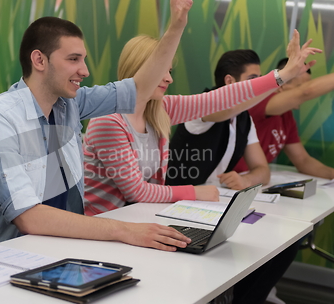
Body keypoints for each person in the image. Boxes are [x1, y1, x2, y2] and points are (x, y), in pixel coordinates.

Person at [0, 0, 194, 253]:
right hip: (6, 260)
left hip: (64, 249)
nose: (84, 70)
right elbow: (28, 217)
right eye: (74, 59)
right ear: (39, 60)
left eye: (83, 59)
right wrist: (123, 230)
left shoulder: (71, 103)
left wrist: (176, 27)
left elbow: (139, 90)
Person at [83, 36, 318, 215]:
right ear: (139, 69)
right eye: (161, 69)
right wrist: (194, 192)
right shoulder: (108, 120)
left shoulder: (159, 110)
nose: (169, 78)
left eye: (170, 70)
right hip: (106, 226)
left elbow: (224, 96)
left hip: (139, 218)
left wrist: (283, 76)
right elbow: (136, 191)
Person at [166, 49, 271, 190]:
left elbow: (263, 170)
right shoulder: (202, 105)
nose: (258, 85)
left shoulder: (244, 117)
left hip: (210, 198)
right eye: (253, 80)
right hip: (173, 199)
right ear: (229, 81)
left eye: (261, 79)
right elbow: (229, 109)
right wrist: (277, 79)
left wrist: (246, 180)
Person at [234, 57, 334, 180]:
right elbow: (306, 92)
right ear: (281, 85)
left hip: (253, 181)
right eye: (299, 86)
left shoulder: (287, 116)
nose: (303, 96)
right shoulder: (259, 101)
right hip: (228, 181)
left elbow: (303, 161)